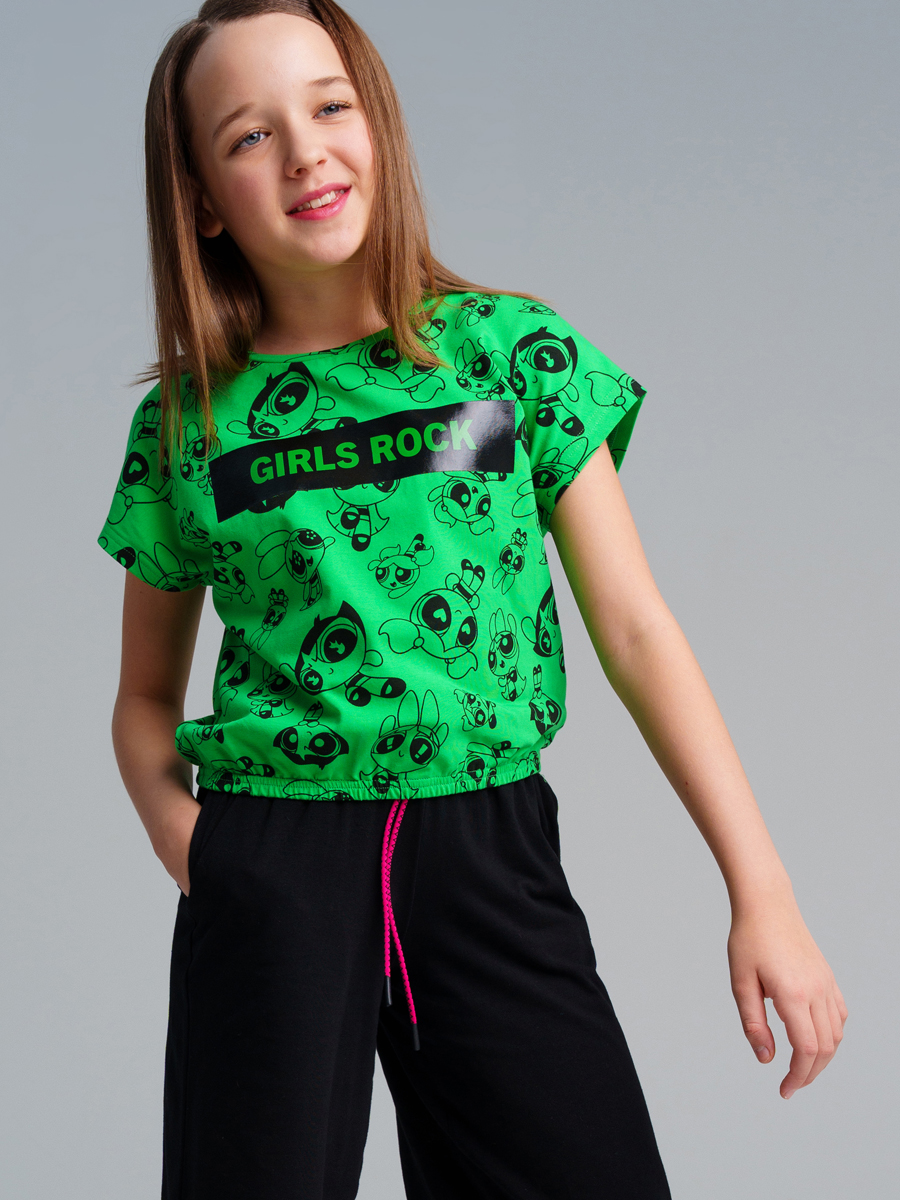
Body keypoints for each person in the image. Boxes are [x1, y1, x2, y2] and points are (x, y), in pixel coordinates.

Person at [98, 2, 847, 1197]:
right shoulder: (187, 425)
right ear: (200, 199)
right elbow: (143, 695)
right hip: (275, 864)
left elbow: (638, 632)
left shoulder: (512, 356)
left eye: (329, 107)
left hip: (484, 849)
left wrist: (764, 894)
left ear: (377, 125)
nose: (304, 153)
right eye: (250, 134)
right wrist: (197, 848)